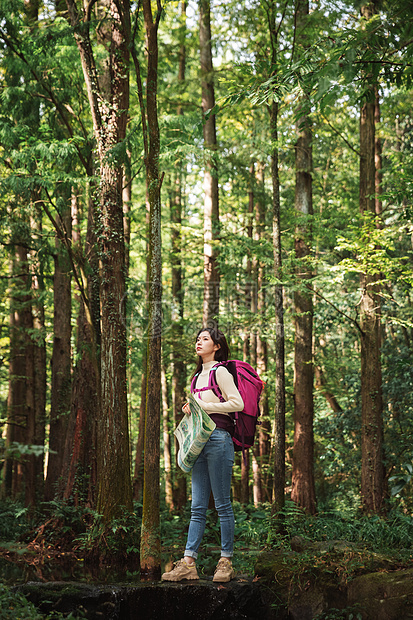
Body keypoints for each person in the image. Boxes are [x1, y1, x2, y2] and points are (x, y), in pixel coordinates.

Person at [161, 327, 244, 583]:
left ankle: (225, 561)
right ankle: (188, 563)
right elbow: (200, 409)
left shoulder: (221, 371)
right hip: (199, 442)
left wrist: (204, 405)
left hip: (219, 440)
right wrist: (190, 409)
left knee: (222, 505)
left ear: (216, 346)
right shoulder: (197, 376)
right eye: (197, 339)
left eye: (205, 339)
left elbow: (237, 403)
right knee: (197, 507)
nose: (199, 342)